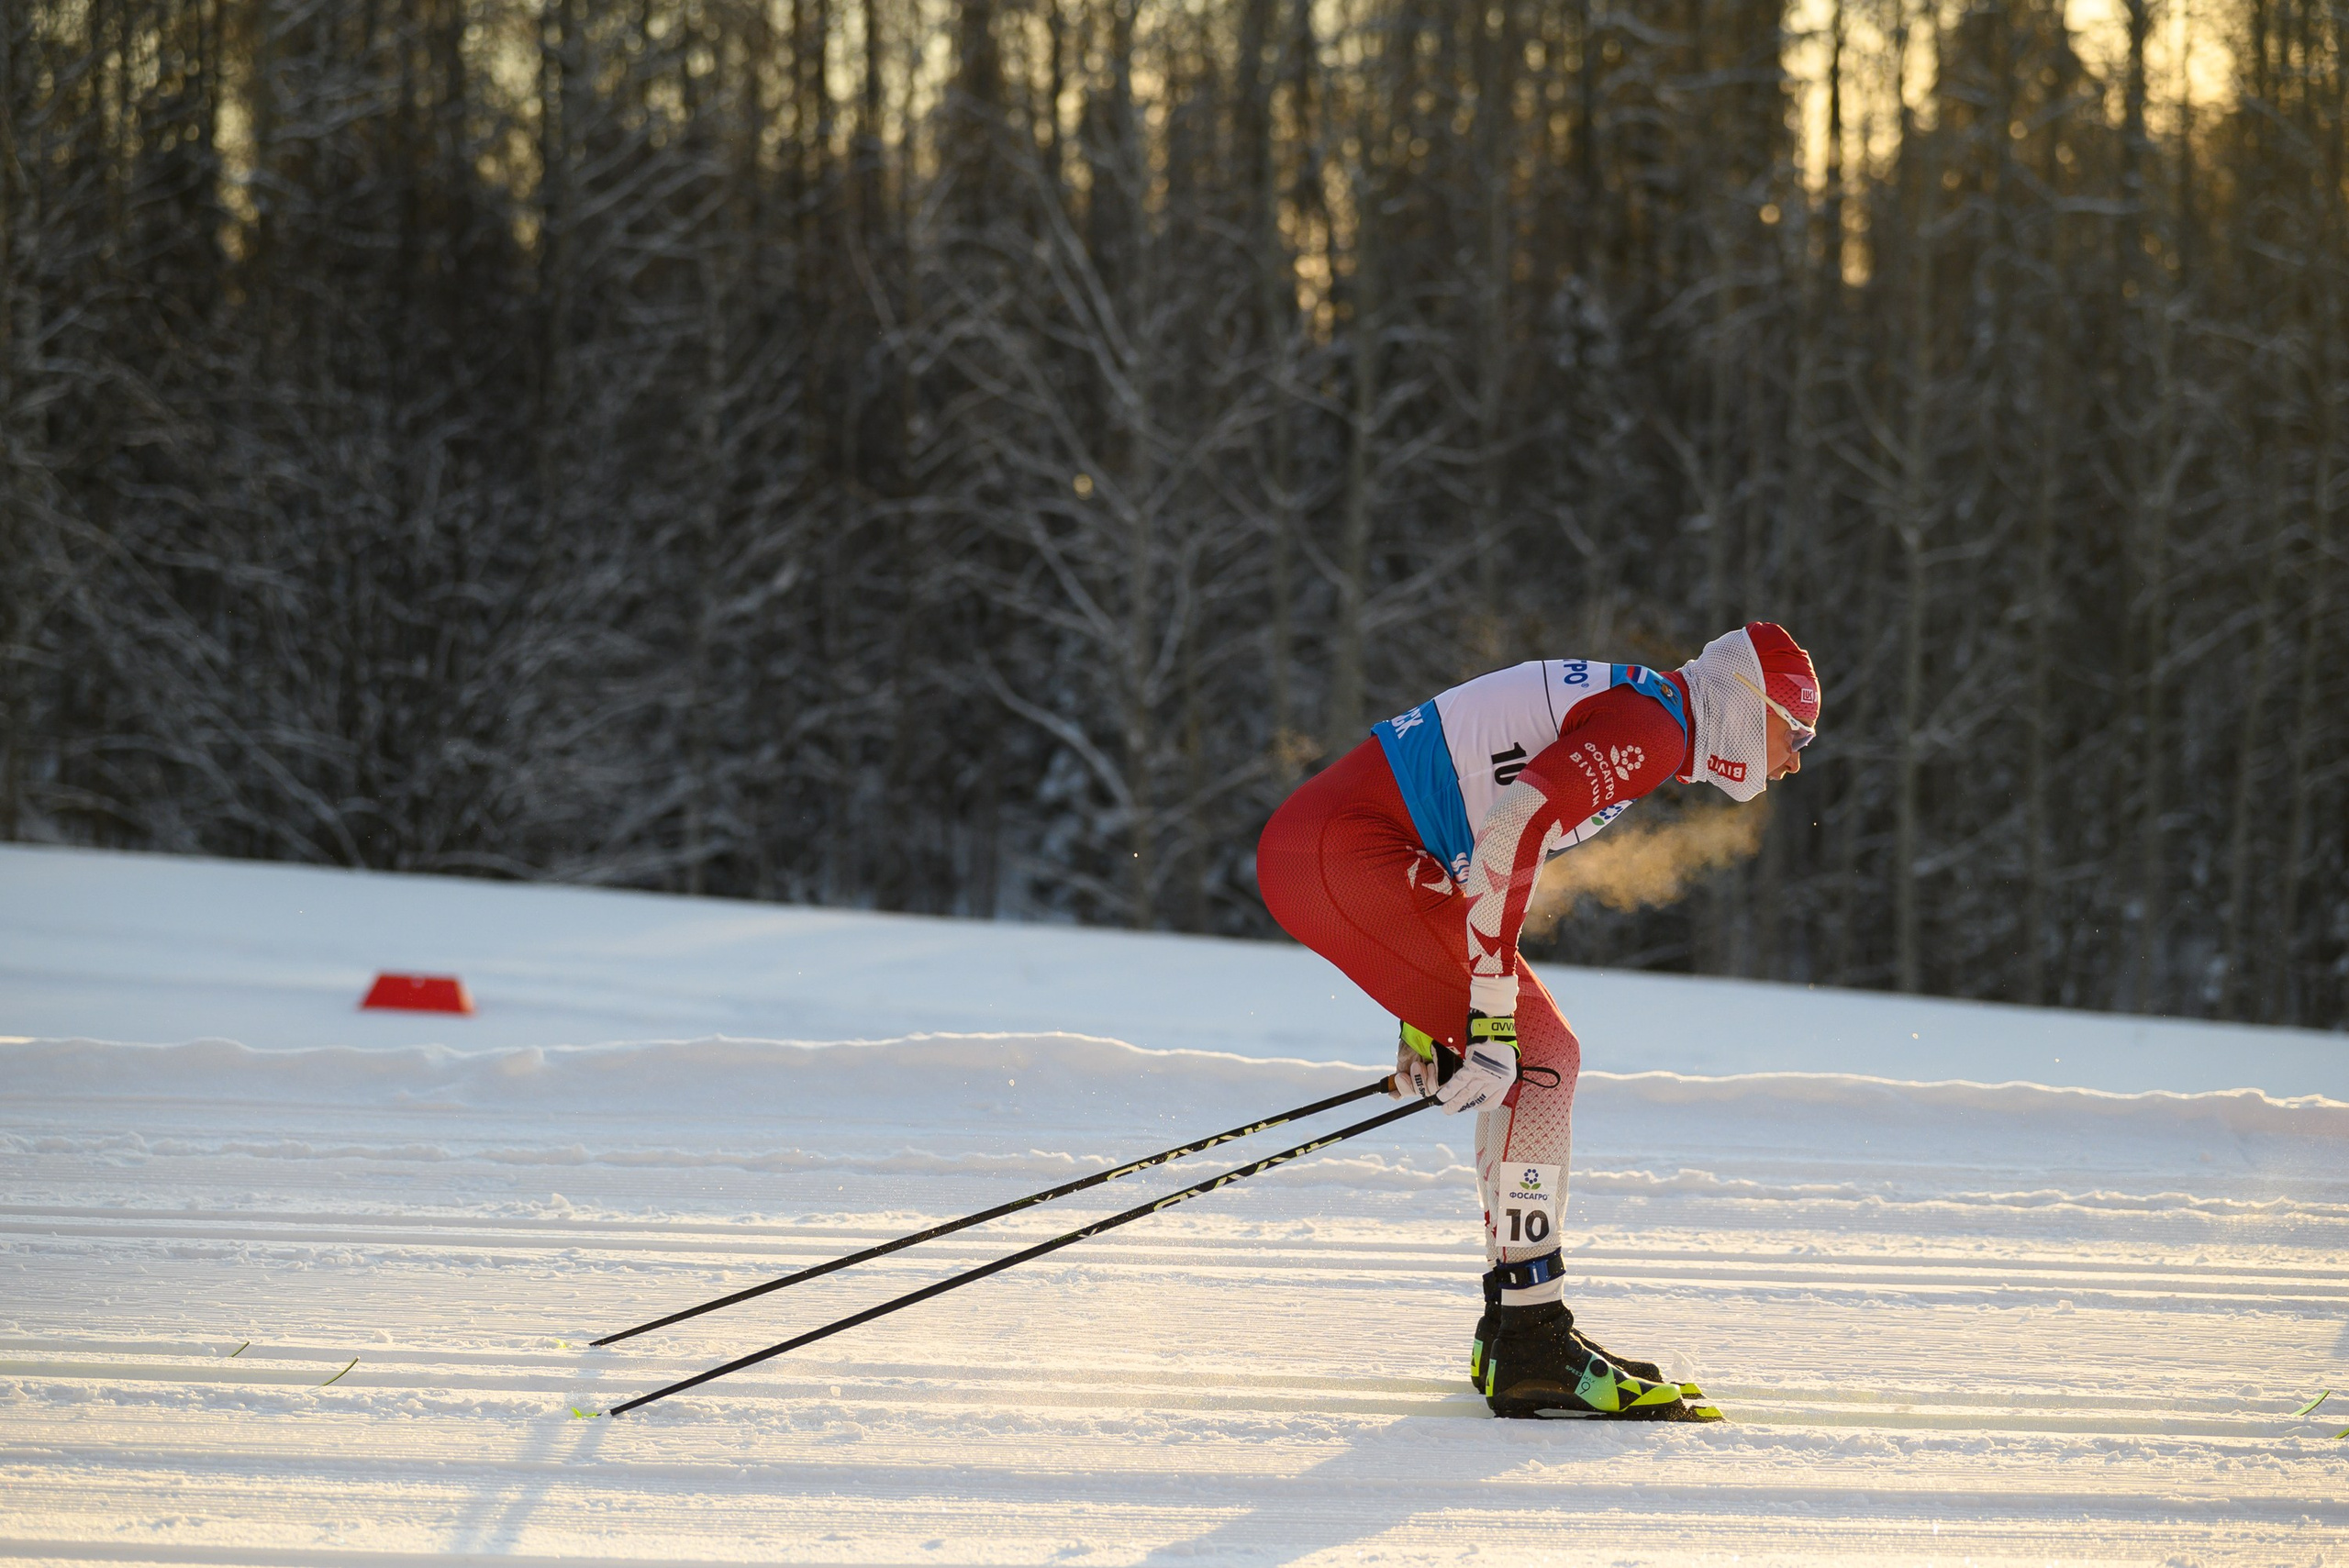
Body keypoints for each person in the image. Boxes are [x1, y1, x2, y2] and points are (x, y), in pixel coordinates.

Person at [1255, 623, 1820, 1419]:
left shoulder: (1648, 710)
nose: (1793, 758)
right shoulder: (1655, 727)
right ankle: (1530, 1336)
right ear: (1744, 703)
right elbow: (1512, 831)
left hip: (1343, 849)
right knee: (1543, 1055)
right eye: (1791, 731)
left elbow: (1468, 828)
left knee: (1535, 1058)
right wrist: (1485, 1013)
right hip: (1345, 853)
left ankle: (1513, 1322)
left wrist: (1434, 1020)